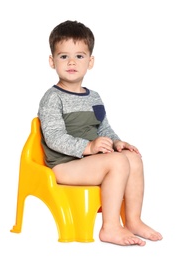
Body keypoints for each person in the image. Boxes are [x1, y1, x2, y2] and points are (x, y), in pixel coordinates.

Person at [38, 20, 163, 246]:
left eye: (80, 56)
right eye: (64, 56)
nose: (72, 62)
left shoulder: (93, 96)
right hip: (63, 166)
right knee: (116, 163)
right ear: (52, 61)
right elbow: (54, 137)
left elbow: (103, 128)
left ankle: (133, 220)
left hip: (89, 162)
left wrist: (117, 142)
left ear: (90, 61)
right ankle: (110, 227)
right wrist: (88, 147)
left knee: (132, 159)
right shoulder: (52, 98)